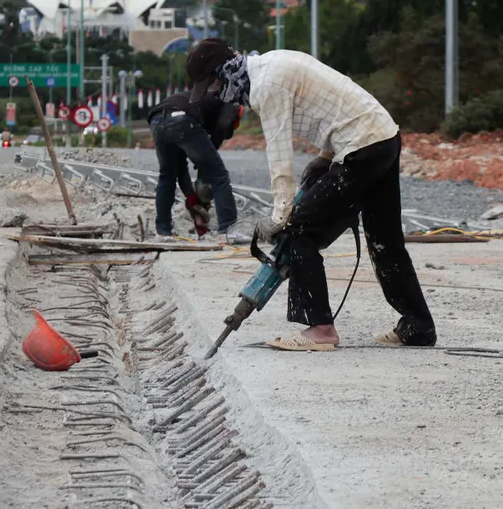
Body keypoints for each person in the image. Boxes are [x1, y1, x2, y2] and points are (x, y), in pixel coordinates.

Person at [186, 38, 436, 351]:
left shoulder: (266, 86)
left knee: (298, 229)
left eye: (211, 85)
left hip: (361, 148)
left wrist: (280, 216)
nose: (214, 93)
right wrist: (325, 156)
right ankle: (418, 326)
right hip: (382, 137)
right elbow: (332, 106)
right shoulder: (272, 62)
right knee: (385, 240)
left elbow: (279, 155)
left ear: (223, 73)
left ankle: (321, 329)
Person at [147, 88, 247, 244]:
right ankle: (227, 231)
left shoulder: (202, 102)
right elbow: (223, 125)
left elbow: (181, 171)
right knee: (219, 176)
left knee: (167, 176)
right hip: (182, 119)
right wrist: (211, 153)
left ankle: (163, 232)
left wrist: (193, 200)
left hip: (156, 120)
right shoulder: (231, 100)